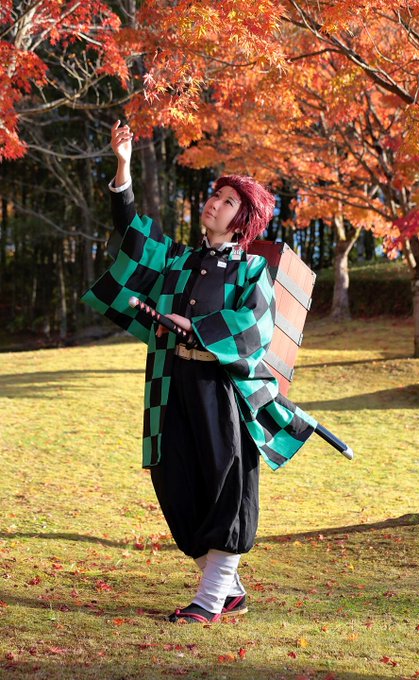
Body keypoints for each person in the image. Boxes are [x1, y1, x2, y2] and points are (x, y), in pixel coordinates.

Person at [81, 121, 317, 624]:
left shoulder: (251, 271)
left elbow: (255, 326)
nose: (215, 204)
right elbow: (133, 235)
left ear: (242, 221)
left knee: (226, 485)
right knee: (174, 479)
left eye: (228, 202)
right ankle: (229, 591)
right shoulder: (180, 261)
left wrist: (199, 329)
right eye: (215, 196)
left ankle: (210, 601)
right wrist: (123, 165)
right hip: (172, 384)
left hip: (222, 391)